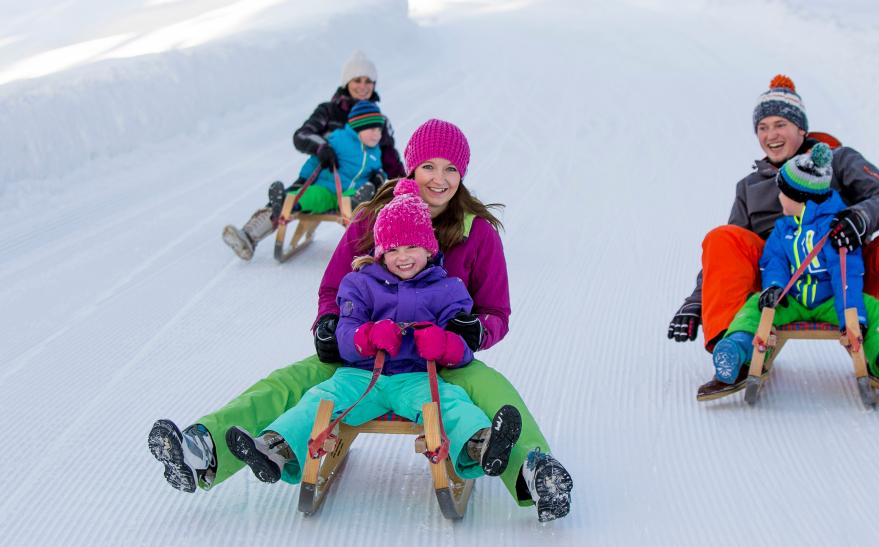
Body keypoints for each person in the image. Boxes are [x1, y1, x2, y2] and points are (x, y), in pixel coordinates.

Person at [149, 119, 573, 522]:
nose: (438, 179)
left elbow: (497, 312)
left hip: (438, 359)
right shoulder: (375, 217)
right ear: (411, 165)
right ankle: (204, 449)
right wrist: (331, 325)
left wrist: (476, 330)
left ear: (462, 174)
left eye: (450, 169)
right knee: (289, 382)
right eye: (428, 166)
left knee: (491, 389)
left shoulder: (476, 232)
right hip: (366, 351)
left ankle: (534, 473)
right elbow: (334, 287)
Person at [226, 181, 522, 485]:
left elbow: (463, 349)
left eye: (412, 247)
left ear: (429, 248)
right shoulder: (360, 284)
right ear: (379, 252)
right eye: (392, 249)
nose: (402, 257)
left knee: (451, 403)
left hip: (418, 378)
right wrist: (366, 337)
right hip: (360, 377)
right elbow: (345, 335)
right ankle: (274, 448)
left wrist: (445, 343)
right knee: (319, 399)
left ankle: (482, 445)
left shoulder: (447, 289)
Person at [667, 74, 879, 399]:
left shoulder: (839, 160)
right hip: (779, 290)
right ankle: (735, 353)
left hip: (846, 277)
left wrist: (860, 217)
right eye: (762, 127)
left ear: (801, 129)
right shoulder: (750, 187)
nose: (771, 135)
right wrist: (696, 300)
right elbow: (723, 252)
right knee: (722, 236)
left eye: (780, 124)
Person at [710, 144, 879, 395]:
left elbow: (845, 276)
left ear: (801, 201)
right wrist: (774, 288)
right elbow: (773, 261)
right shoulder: (783, 228)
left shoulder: (835, 231)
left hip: (832, 300)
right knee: (753, 308)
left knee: (876, 313)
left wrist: (853, 319)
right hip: (792, 298)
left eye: (782, 193)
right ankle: (735, 349)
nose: (777, 198)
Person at [221, 50, 405, 260]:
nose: (363, 86)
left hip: (358, 183)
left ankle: (378, 241)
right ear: (347, 82)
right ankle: (250, 235)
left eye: (368, 81)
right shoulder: (328, 111)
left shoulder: (377, 120)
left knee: (373, 195)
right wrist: (321, 147)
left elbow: (390, 158)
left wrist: (405, 188)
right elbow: (302, 135)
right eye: (357, 80)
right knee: (291, 198)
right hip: (322, 176)